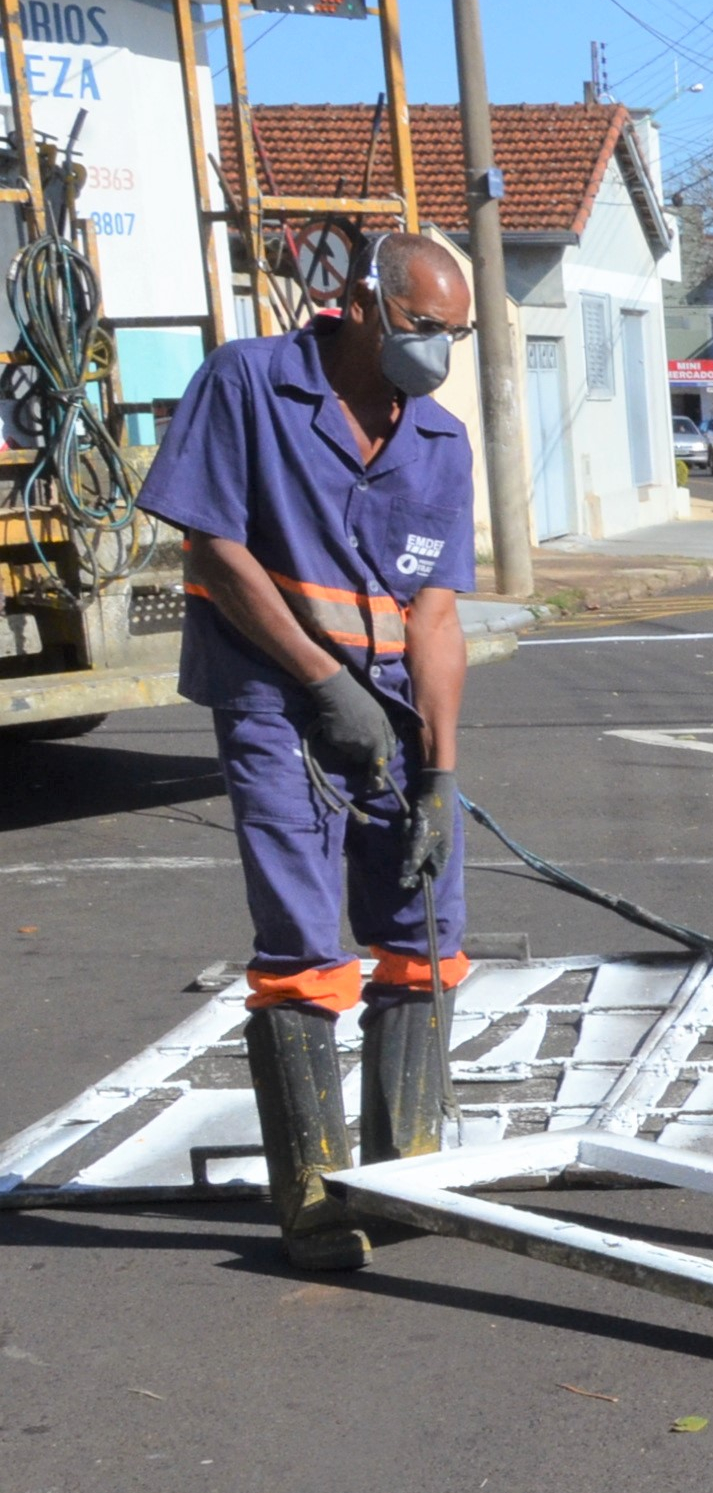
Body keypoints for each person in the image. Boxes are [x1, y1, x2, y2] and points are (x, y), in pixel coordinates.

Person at [138, 231, 482, 1271]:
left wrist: (440, 771)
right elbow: (212, 550)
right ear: (362, 303)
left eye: (455, 336)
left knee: (427, 924)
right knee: (301, 933)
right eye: (426, 330)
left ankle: (406, 1173)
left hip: (390, 703)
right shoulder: (249, 382)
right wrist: (323, 683)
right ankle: (316, 1197)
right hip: (272, 692)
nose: (439, 355)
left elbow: (435, 614)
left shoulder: (438, 441)